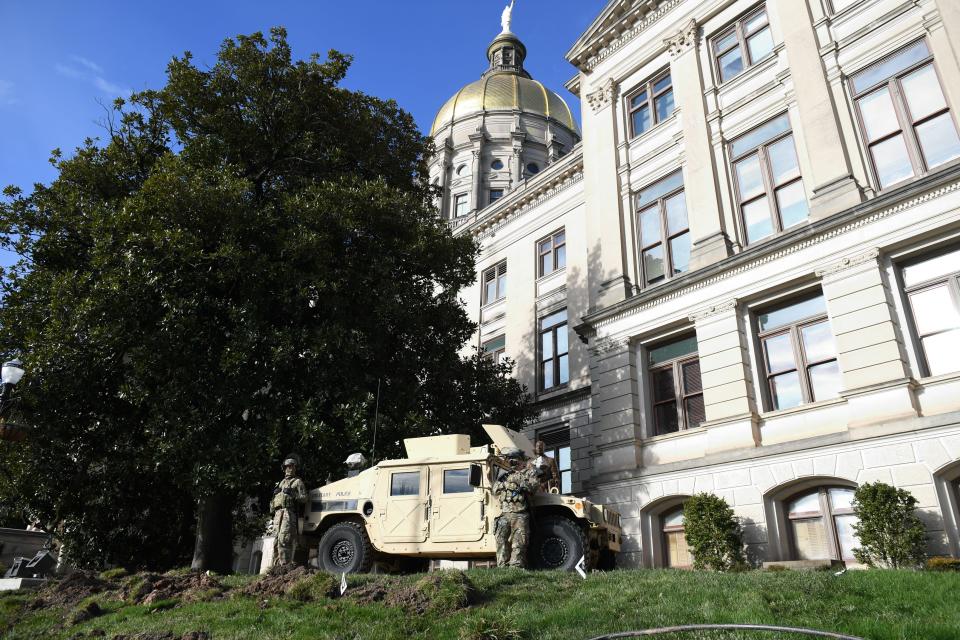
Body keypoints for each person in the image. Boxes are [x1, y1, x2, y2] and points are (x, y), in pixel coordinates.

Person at [493, 447, 541, 568]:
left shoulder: (529, 472)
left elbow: (532, 487)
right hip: (504, 513)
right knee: (500, 540)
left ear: (521, 460)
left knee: (519, 543)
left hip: (520, 513)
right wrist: (506, 483)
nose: (512, 462)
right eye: (510, 460)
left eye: (515, 460)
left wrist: (519, 479)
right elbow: (494, 489)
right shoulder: (504, 473)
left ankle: (516, 567)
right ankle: (502, 566)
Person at [270, 453, 308, 567]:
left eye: (292, 466)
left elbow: (305, 498)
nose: (289, 469)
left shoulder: (297, 482)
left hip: (288, 513)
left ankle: (284, 566)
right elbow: (273, 502)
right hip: (278, 514)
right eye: (287, 466)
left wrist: (293, 494)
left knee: (284, 539)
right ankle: (275, 567)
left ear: (295, 468)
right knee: (276, 540)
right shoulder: (280, 483)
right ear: (284, 468)